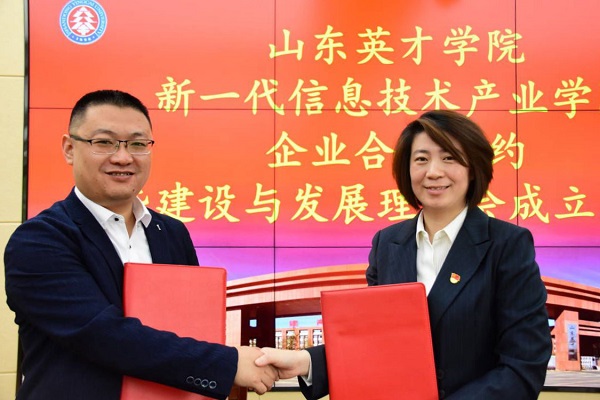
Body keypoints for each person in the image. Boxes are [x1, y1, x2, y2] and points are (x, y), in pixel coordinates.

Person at [256, 110, 553, 399]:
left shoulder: (507, 244)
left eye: (449, 158)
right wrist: (306, 362)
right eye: (421, 159)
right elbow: (376, 340)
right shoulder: (388, 244)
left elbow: (523, 366)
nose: (433, 172)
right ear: (407, 169)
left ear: (473, 168)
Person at [4, 90, 278, 400]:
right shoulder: (39, 240)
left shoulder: (172, 233)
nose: (123, 157)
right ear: (69, 149)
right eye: (104, 142)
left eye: (137, 144)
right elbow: (101, 335)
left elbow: (192, 328)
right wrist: (227, 364)